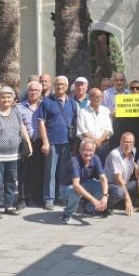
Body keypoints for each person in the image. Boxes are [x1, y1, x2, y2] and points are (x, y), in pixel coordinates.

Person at [0, 86, 32, 219]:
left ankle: (9, 206)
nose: (6, 99)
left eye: (9, 97)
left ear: (13, 98)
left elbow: (22, 127)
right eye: (3, 97)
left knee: (11, 181)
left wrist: (28, 143)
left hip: (14, 154)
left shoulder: (16, 111)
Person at [59, 138, 125, 223]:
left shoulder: (95, 158)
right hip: (66, 188)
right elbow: (76, 185)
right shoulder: (74, 161)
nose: (88, 153)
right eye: (85, 150)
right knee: (76, 191)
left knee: (102, 186)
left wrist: (105, 196)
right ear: (80, 150)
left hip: (83, 184)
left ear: (94, 151)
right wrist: (93, 200)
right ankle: (67, 214)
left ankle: (89, 209)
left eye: (90, 150)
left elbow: (103, 178)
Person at [38, 76, 78, 210]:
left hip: (67, 143)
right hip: (52, 142)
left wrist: (74, 144)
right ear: (54, 85)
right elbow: (41, 123)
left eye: (62, 84)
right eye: (57, 84)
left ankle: (61, 197)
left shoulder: (72, 103)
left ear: (67, 86)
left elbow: (75, 123)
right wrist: (45, 142)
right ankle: (48, 199)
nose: (60, 86)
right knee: (50, 172)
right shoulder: (46, 102)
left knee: (63, 173)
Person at [17, 81, 44, 208]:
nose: (34, 93)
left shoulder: (44, 106)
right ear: (27, 91)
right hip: (25, 143)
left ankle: (35, 197)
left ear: (41, 92)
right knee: (24, 171)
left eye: (36, 90)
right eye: (31, 90)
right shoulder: (19, 107)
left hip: (40, 142)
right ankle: (22, 198)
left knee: (38, 171)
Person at [104, 133, 139, 216]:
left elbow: (134, 164)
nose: (128, 145)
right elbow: (118, 180)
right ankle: (104, 207)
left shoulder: (133, 150)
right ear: (120, 142)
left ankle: (124, 203)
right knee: (119, 192)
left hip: (124, 184)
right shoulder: (115, 155)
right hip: (111, 185)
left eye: (131, 143)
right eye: (126, 142)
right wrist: (127, 199)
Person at [77, 88, 114, 162]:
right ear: (90, 98)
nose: (99, 99)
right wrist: (94, 142)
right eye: (97, 97)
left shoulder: (106, 110)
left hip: (103, 145)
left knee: (102, 167)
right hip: (87, 145)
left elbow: (108, 128)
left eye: (101, 97)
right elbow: (82, 130)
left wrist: (100, 141)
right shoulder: (83, 111)